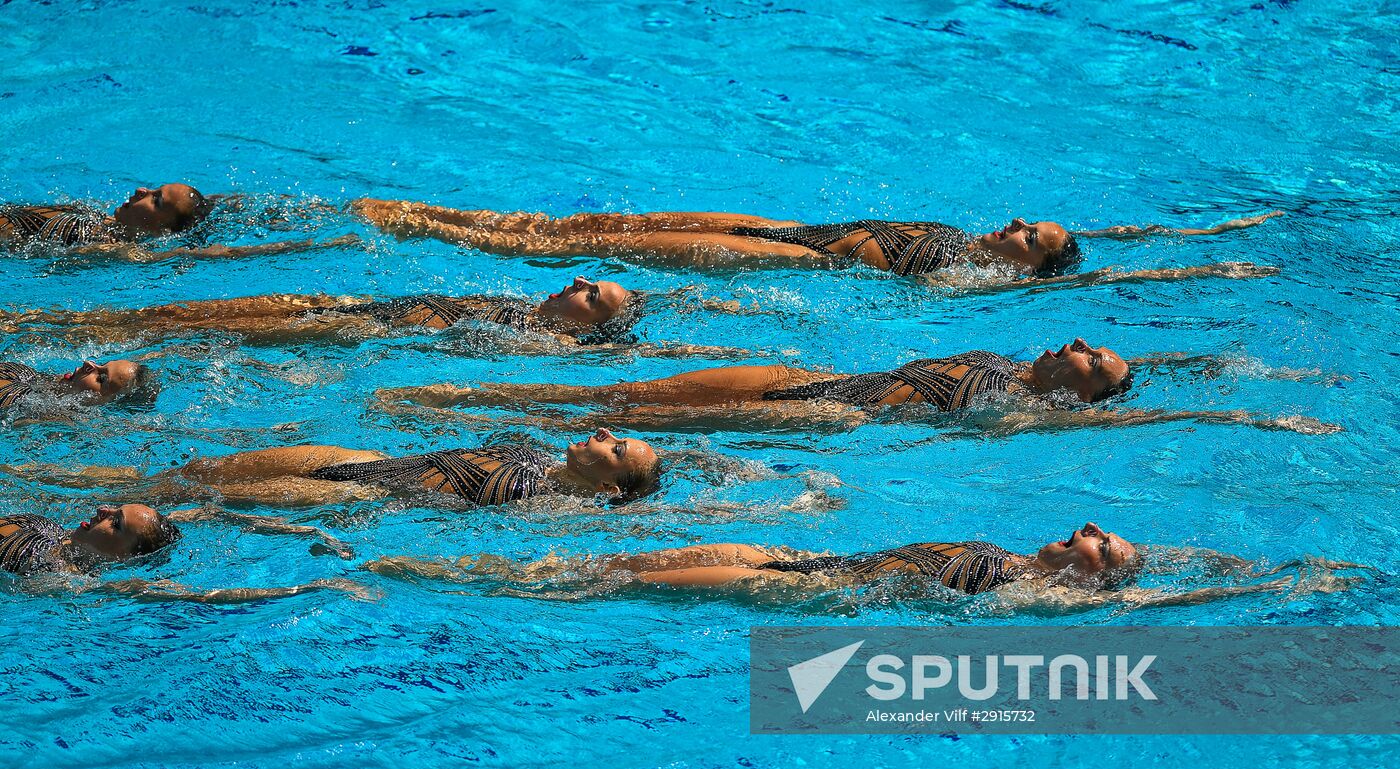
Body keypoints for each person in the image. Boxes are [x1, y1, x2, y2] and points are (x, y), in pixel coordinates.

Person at [377, 339, 1339, 435]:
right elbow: (1167, 374)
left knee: (609, 416)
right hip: (809, 377)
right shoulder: (1023, 363)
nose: (1083, 343)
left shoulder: (1033, 414)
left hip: (834, 414)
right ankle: (465, 400)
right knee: (638, 394)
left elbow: (1157, 407)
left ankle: (433, 408)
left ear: (1077, 394)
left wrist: (1248, 412)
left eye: (1096, 362)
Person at [366, 521, 1351, 609]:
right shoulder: (1025, 565)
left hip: (798, 587)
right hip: (801, 555)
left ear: (1093, 577)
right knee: (616, 558)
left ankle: (407, 573)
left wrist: (1279, 583)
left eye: (1105, 545)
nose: (1088, 530)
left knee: (606, 582)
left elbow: (1157, 598)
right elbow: (1167, 565)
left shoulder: (1041, 606)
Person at [351, 197, 1282, 279]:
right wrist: (1205, 225)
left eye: (1027, 234)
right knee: (601, 225)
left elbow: (1113, 277)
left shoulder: (984, 285)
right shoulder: (989, 249)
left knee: (568, 255)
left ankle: (422, 232)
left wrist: (1206, 265)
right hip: (792, 224)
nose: (1011, 225)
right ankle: (434, 212)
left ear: (1037, 267)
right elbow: (1123, 237)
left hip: (797, 257)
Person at [10, 428, 664, 509]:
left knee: (192, 493)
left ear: (608, 486)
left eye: (615, 449)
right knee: (201, 466)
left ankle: (47, 505)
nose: (603, 434)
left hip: (354, 499)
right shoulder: (533, 451)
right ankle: (40, 476)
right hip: (357, 461)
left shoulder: (536, 507)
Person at [1, 277, 641, 347]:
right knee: (185, 313)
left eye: (593, 296)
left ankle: (47, 330)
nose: (577, 280)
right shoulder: (515, 306)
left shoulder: (542, 342)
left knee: (207, 328)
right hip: (362, 309)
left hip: (358, 330)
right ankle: (43, 324)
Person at [0, 503, 361, 603]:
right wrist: (310, 529)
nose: (102, 510)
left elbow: (202, 597)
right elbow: (211, 513)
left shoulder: (62, 581)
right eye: (115, 510)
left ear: (123, 559)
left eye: (116, 524)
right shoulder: (56, 532)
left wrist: (317, 587)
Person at [1, 181, 357, 262]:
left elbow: (219, 253)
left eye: (155, 199)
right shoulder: (91, 211)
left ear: (161, 230)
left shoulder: (118, 249)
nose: (141, 189)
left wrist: (317, 244)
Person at [0, 357, 156, 410]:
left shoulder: (47, 417)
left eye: (101, 378)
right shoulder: (23, 374)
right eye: (101, 364)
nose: (88, 363)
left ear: (105, 403)